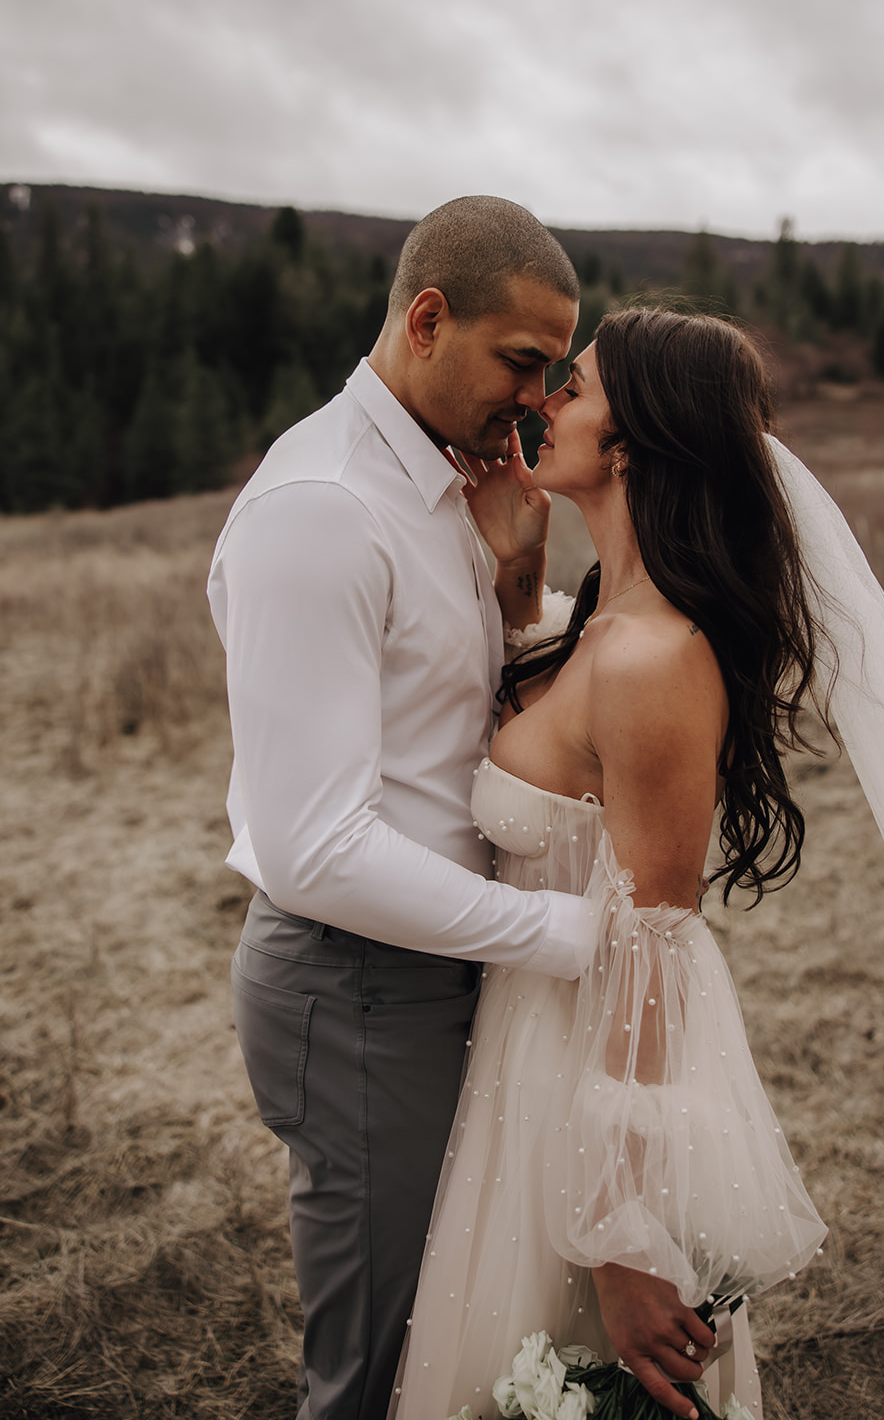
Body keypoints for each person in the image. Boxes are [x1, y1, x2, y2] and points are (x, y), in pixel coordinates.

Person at [390, 307, 884, 1420]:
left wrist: (614, 1236)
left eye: (579, 385)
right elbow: (552, 741)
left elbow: (654, 954)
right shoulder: (607, 622)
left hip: (578, 1082)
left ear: (634, 441)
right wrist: (519, 582)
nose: (542, 397)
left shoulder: (655, 660)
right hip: (524, 1057)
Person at [208, 196, 602, 1420]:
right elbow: (317, 847)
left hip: (437, 961)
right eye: (522, 364)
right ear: (427, 319)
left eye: (553, 373)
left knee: (457, 1341)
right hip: (358, 985)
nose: (538, 401)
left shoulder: (448, 489)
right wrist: (570, 942)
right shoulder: (322, 511)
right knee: (380, 1371)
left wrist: (519, 581)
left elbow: (449, 707)